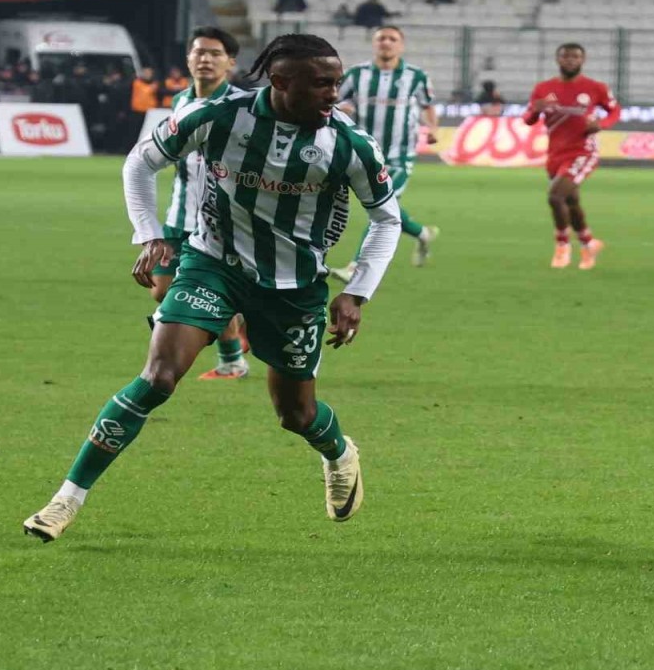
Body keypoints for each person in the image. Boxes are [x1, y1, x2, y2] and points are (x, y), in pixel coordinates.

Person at [22, 34, 404, 542]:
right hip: (212, 264)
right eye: (321, 84)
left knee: (296, 413)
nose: (334, 93)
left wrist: (358, 291)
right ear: (281, 82)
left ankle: (338, 452)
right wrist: (151, 234)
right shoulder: (220, 116)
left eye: (336, 82)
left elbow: (386, 219)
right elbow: (140, 162)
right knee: (157, 377)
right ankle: (64, 501)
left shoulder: (350, 143)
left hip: (293, 287)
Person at [156, 27, 249, 380]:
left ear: (230, 62)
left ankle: (232, 361)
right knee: (161, 291)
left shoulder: (242, 106)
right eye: (199, 52)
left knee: (205, 294)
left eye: (214, 53)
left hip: (220, 222)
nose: (205, 59)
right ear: (188, 59)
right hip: (179, 213)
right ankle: (240, 318)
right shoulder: (180, 102)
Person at [330, 26, 441, 281]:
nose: (386, 43)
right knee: (383, 206)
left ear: (401, 46)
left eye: (392, 39)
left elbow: (428, 105)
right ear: (374, 44)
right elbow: (335, 100)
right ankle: (422, 233)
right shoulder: (357, 75)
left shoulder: (416, 76)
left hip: (400, 155)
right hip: (365, 151)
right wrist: (343, 109)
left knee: (380, 208)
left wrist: (433, 127)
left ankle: (355, 268)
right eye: (381, 38)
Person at [522, 43, 621, 270]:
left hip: (583, 152)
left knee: (555, 196)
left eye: (575, 56)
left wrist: (601, 123)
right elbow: (528, 119)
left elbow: (614, 110)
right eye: (566, 56)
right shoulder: (544, 88)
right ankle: (588, 244)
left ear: (582, 60)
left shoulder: (595, 88)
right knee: (571, 201)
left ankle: (562, 246)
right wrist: (535, 109)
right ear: (558, 60)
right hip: (555, 154)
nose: (570, 60)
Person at [130, 67, 160, 134]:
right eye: (146, 73)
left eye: (150, 73)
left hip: (150, 112)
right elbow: (147, 90)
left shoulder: (155, 84)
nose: (148, 75)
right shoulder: (137, 83)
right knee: (136, 131)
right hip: (138, 111)